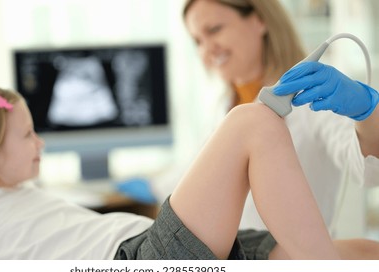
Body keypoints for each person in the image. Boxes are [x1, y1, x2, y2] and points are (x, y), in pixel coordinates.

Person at [0, 84, 368, 260]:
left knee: (364, 253)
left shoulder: (20, 197)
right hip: (139, 262)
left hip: (164, 247)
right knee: (250, 123)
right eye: (27, 135)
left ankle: (323, 264)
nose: (40, 144)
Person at [118, 0, 379, 236]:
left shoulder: (311, 95)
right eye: (197, 40)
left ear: (259, 20)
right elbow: (200, 171)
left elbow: (368, 171)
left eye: (214, 30)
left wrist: (365, 109)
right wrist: (151, 186)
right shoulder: (223, 104)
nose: (207, 49)